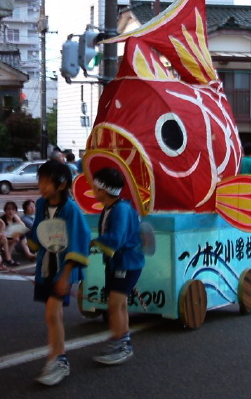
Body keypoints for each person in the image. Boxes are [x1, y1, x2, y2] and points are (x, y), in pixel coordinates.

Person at [27, 160, 91, 386]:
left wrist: (66, 276)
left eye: (46, 181)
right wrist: (22, 237)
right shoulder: (41, 205)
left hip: (62, 269)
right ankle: (58, 357)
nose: (42, 186)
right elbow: (36, 234)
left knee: (52, 313)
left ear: (62, 184)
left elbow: (78, 241)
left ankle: (58, 360)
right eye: (40, 181)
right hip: (45, 267)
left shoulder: (71, 210)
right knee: (53, 315)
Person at [90, 168, 144, 365]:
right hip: (121, 262)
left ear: (103, 190)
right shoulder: (113, 207)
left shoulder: (119, 209)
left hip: (126, 263)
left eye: (95, 186)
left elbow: (116, 239)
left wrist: (93, 244)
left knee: (114, 305)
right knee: (119, 305)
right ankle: (122, 342)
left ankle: (121, 344)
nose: (93, 188)